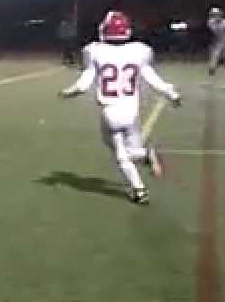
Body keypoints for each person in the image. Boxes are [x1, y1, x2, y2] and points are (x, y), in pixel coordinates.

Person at [59, 10, 181, 205]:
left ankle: (140, 184)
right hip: (131, 111)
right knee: (127, 151)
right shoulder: (140, 50)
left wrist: (69, 92)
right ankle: (142, 168)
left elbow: (84, 83)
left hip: (110, 110)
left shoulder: (94, 50)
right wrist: (171, 93)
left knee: (119, 152)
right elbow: (152, 78)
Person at [207, 7, 225, 78]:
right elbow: (213, 34)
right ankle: (211, 73)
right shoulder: (210, 22)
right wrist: (214, 43)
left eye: (217, 14)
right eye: (214, 15)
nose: (216, 16)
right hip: (218, 42)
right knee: (215, 57)